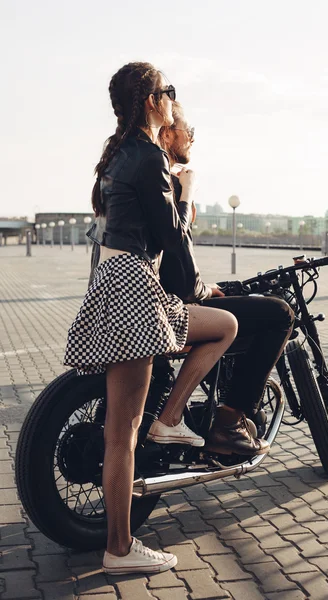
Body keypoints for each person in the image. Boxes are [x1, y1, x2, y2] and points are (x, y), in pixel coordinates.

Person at [64, 62, 238, 575]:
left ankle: (172, 420)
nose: (171, 98)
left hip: (114, 282)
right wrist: (199, 281)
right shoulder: (147, 158)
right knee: (122, 432)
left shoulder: (118, 155)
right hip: (136, 289)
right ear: (150, 102)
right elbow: (172, 239)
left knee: (221, 327)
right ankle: (120, 548)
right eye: (168, 91)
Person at [158, 102, 295, 455]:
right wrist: (201, 290)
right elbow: (176, 251)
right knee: (278, 314)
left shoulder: (135, 175)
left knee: (237, 309)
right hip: (171, 304)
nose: (192, 140)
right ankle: (230, 420)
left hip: (155, 294)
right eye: (190, 133)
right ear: (170, 133)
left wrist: (207, 288)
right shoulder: (169, 182)